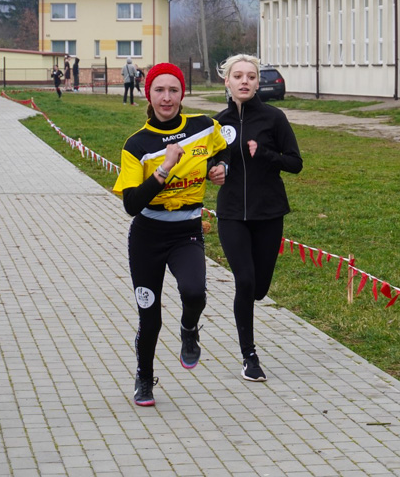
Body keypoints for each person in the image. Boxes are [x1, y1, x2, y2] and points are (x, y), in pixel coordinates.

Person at [112, 62, 230, 407]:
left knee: (194, 293)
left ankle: (190, 329)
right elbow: (131, 204)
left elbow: (223, 151)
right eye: (159, 90)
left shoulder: (204, 126)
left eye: (173, 90)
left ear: (182, 93)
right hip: (148, 235)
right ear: (147, 93)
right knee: (150, 316)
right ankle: (144, 378)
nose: (167, 98)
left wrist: (220, 168)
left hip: (187, 231)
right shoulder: (137, 144)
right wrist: (164, 168)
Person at [213, 54, 303, 382]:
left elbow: (295, 163)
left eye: (251, 76)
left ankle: (248, 307)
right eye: (238, 76)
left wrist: (264, 154)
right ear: (227, 81)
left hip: (269, 213)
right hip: (232, 213)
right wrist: (214, 172)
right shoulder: (218, 123)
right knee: (245, 281)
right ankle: (249, 356)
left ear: (257, 81)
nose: (245, 81)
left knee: (260, 288)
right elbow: (209, 162)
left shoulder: (274, 118)